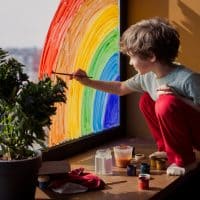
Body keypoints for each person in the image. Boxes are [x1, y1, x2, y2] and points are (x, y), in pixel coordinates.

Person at [71, 17, 200, 176]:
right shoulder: (148, 77)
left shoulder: (188, 79)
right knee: (147, 100)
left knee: (164, 103)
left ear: (151, 56)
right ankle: (167, 150)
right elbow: (120, 87)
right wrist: (87, 82)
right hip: (186, 133)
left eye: (132, 56)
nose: (131, 62)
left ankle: (186, 160)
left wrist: (179, 99)